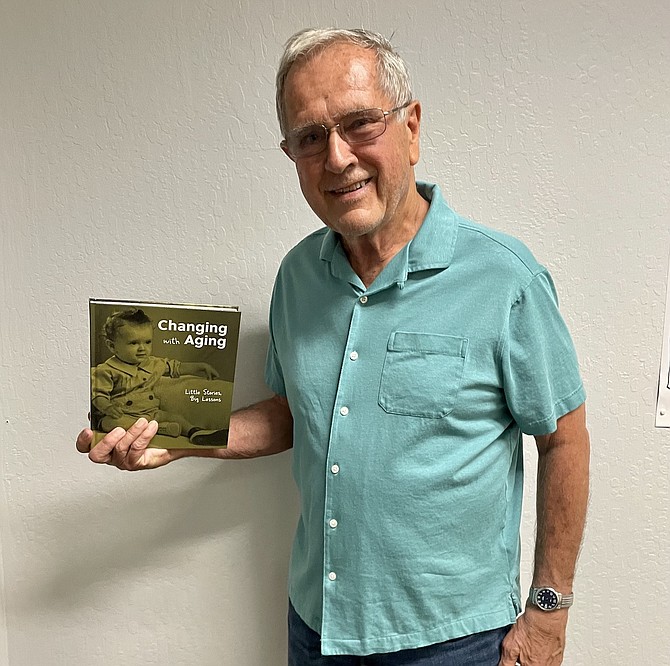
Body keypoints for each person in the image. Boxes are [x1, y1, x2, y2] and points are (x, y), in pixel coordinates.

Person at [77, 27, 590, 666]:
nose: (338, 158)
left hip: (457, 643)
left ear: (412, 127)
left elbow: (563, 438)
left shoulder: (505, 278)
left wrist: (549, 613)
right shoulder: (297, 276)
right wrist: (177, 437)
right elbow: (296, 412)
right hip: (317, 630)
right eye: (310, 138)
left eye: (360, 125)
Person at [91, 307, 227, 446]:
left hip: (152, 412)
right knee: (113, 423)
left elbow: (176, 367)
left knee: (176, 417)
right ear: (112, 346)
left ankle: (195, 432)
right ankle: (161, 429)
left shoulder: (153, 364)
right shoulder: (107, 370)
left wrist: (200, 366)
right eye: (133, 343)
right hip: (123, 415)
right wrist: (107, 407)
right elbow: (98, 395)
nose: (142, 348)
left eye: (147, 342)